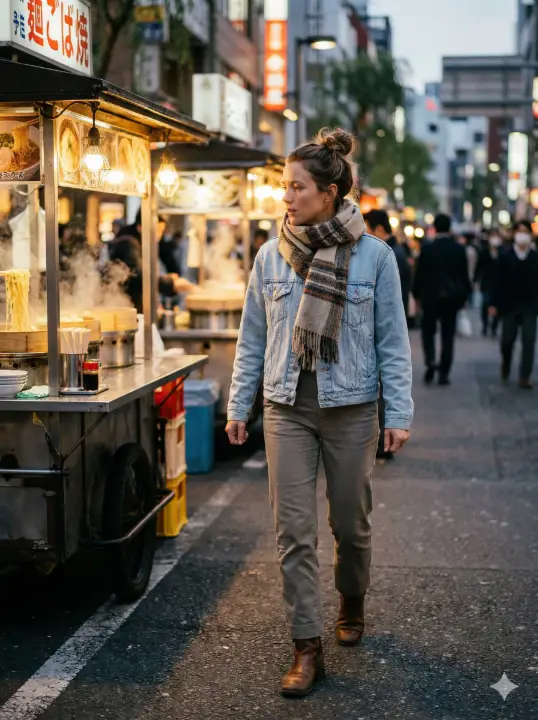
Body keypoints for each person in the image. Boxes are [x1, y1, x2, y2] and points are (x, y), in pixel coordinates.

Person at [226, 128, 413, 697]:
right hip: (287, 408)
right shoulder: (269, 254)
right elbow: (251, 338)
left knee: (350, 527)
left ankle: (351, 601)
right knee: (293, 532)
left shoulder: (375, 256)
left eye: (296, 187)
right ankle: (307, 646)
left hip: (351, 408)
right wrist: (240, 403)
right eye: (285, 187)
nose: (287, 197)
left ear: (330, 192)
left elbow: (393, 341)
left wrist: (397, 412)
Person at [363, 208, 412, 462]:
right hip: (384, 327)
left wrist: (399, 417)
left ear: (379, 229)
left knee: (380, 387)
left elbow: (394, 302)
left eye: (367, 228)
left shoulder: (388, 254)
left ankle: (383, 443)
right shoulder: (395, 252)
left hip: (383, 328)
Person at [413, 213, 471, 386]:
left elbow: (420, 274)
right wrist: (464, 295)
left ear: (435, 228)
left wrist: (417, 296)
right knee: (448, 335)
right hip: (451, 299)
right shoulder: (458, 249)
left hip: (430, 297)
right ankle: (444, 372)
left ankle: (430, 361)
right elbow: (464, 275)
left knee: (428, 332)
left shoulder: (427, 248)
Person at [109, 210, 195, 312]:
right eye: (157, 230)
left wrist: (167, 279)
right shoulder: (128, 243)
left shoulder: (139, 243)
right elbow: (138, 277)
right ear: (141, 227)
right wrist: (171, 284)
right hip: (124, 306)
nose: (159, 236)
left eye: (161, 231)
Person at [489, 220, 538, 389]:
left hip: (529, 306)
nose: (522, 235)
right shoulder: (505, 256)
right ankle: (506, 363)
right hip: (509, 305)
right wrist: (493, 303)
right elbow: (496, 281)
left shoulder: (534, 257)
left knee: (529, 340)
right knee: (507, 340)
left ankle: (524, 376)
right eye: (520, 231)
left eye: (525, 231)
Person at [474, 229, 502, 337]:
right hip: (487, 283)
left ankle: (494, 326)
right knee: (485, 304)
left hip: (500, 284)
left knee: (498, 306)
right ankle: (485, 325)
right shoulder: (484, 252)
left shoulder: (503, 252)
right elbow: (479, 267)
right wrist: (476, 279)